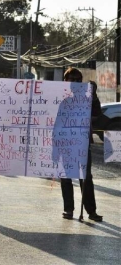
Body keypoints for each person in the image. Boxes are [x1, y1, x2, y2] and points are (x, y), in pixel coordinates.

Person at [60, 68, 103, 222]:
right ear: (66, 81)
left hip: (83, 143)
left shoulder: (87, 98)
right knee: (66, 178)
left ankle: (91, 211)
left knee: (86, 178)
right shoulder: (61, 99)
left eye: (78, 79)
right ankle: (68, 209)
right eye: (72, 79)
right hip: (66, 144)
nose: (76, 82)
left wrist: (94, 95)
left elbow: (97, 113)